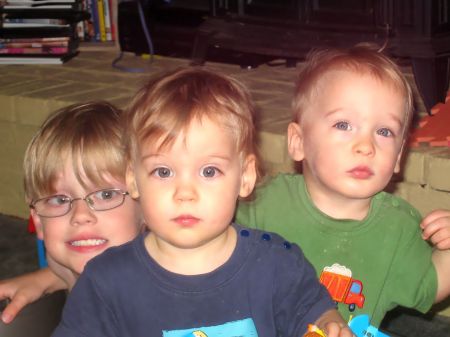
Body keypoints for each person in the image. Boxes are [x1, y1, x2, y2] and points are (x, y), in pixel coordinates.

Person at [52, 67, 352, 337]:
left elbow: (317, 312)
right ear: (133, 179)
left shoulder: (277, 263)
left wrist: (329, 325)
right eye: (163, 171)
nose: (185, 193)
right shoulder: (106, 281)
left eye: (209, 171)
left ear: (245, 177)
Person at [235, 45, 450, 329]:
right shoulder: (260, 203)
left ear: (399, 157)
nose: (365, 146)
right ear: (298, 142)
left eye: (384, 131)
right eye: (343, 124)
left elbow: (430, 286)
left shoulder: (396, 228)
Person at [0, 101, 143, 323]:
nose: (80, 215)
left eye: (105, 195)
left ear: (146, 208)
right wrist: (46, 278)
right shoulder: (63, 263)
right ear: (38, 220)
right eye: (59, 199)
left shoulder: (166, 281)